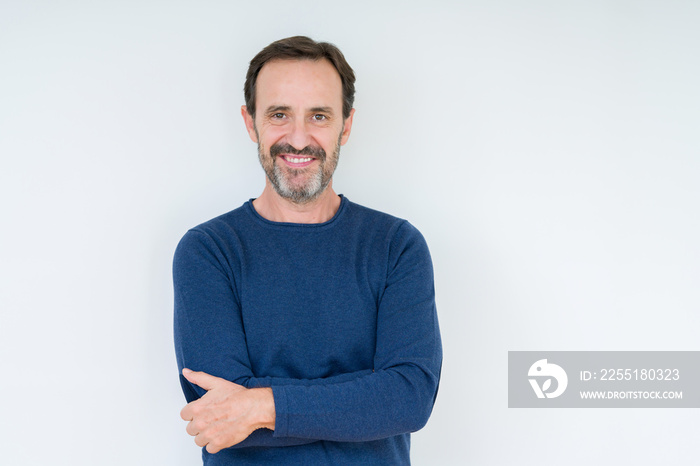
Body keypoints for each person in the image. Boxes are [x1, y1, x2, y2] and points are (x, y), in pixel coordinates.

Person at [173, 35, 442, 465]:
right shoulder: (209, 251)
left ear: (346, 126)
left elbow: (407, 398)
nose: (298, 139)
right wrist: (357, 403)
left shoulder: (396, 246)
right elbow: (217, 417)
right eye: (279, 114)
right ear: (250, 122)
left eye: (318, 115)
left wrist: (261, 407)